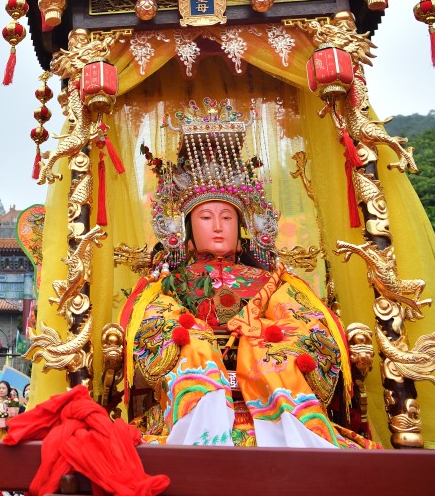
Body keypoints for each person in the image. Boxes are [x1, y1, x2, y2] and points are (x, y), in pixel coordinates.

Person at [122, 98, 373, 449]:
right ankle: (206, 417)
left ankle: (277, 421)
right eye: (206, 218)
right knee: (189, 342)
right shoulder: (169, 282)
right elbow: (154, 319)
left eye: (227, 218)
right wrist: (193, 334)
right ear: (186, 228)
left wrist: (265, 336)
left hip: (264, 371)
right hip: (197, 371)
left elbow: (307, 321)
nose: (218, 227)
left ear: (243, 226)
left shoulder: (272, 280)